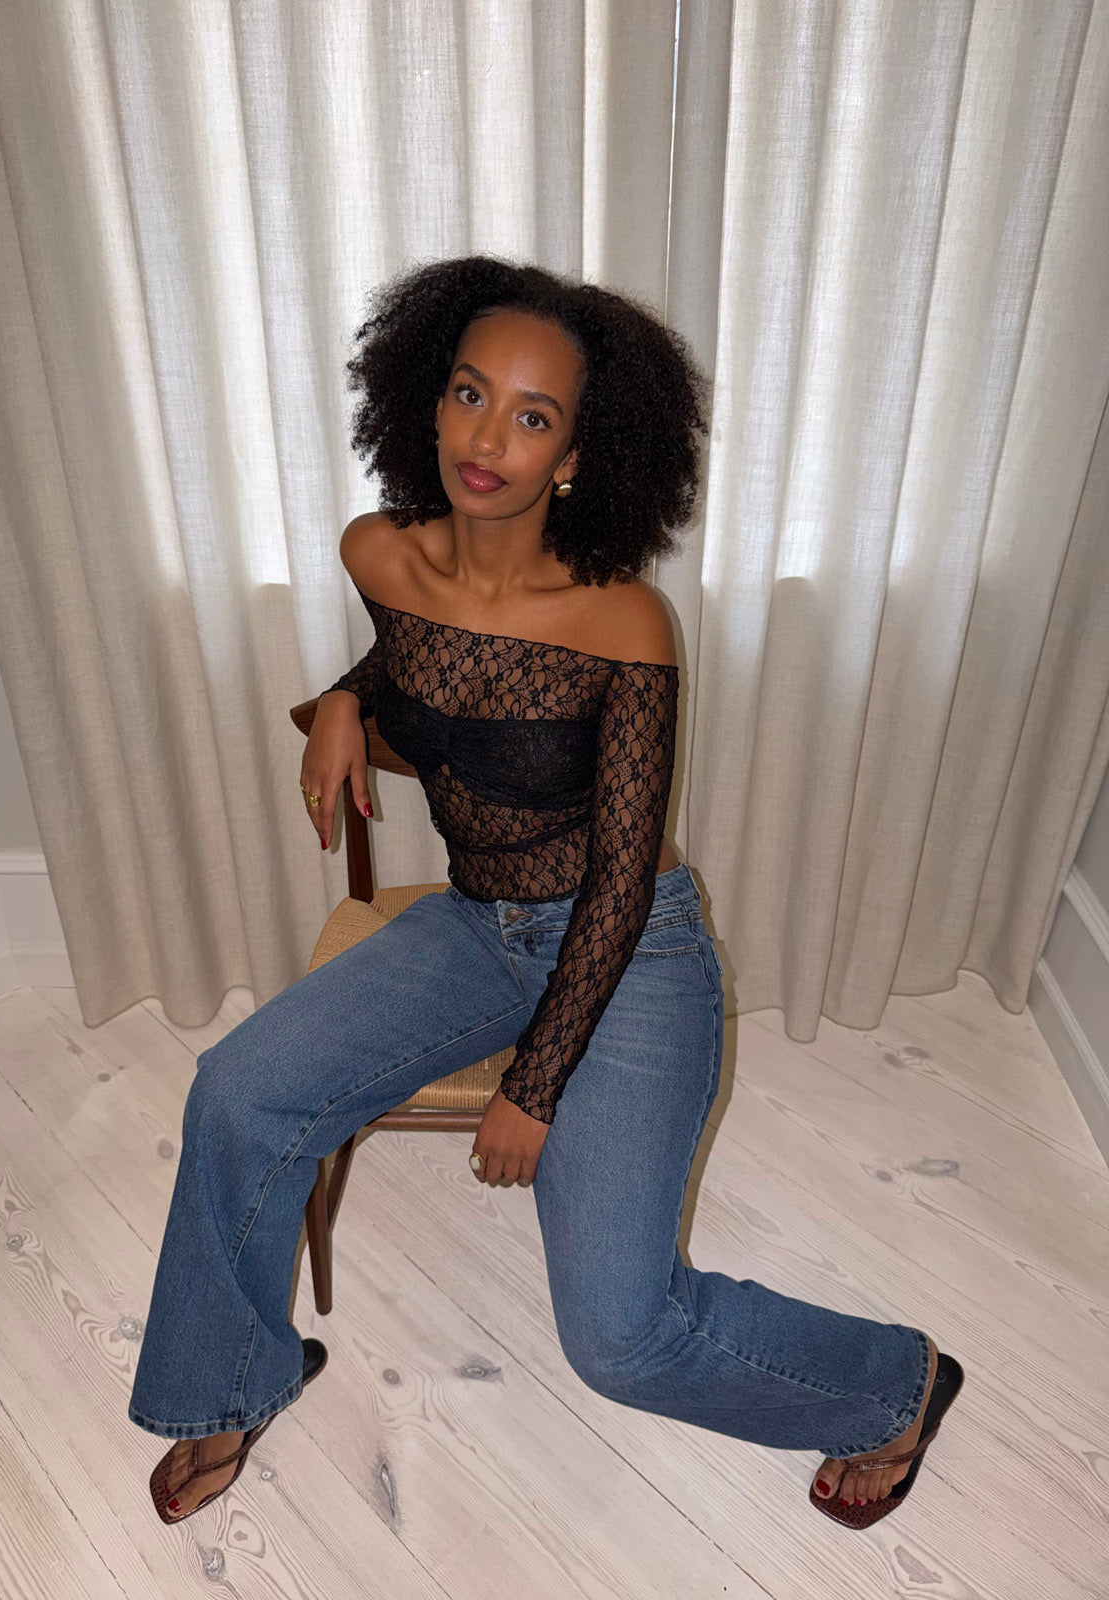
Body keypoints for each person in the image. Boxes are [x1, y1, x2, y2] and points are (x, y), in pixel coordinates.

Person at [130, 255, 963, 1531]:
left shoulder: (622, 620)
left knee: (620, 1341)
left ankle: (895, 1383)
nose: (488, 439)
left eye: (532, 417)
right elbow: (422, 659)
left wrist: (535, 1084)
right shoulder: (379, 553)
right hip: (478, 925)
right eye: (470, 395)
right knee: (237, 1093)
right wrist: (348, 696)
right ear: (428, 399)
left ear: (576, 456)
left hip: (631, 956)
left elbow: (622, 878)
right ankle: (231, 1380)